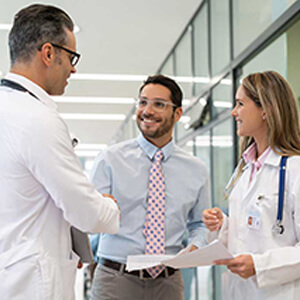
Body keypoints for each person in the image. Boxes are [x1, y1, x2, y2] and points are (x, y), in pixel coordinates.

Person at [0, 4, 120, 300]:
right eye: (71, 57)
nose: (74, 68)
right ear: (49, 53)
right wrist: (109, 206)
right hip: (32, 282)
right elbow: (87, 212)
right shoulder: (38, 119)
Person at [90, 74, 210, 300]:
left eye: (159, 104)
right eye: (143, 102)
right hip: (116, 279)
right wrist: (99, 209)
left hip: (168, 283)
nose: (147, 110)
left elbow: (199, 223)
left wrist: (196, 245)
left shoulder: (196, 169)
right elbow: (88, 219)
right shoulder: (110, 160)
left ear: (177, 114)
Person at [202, 71, 300, 300]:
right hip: (239, 292)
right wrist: (222, 225)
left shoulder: (295, 170)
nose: (233, 112)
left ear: (265, 109)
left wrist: (260, 265)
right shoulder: (244, 169)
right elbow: (247, 233)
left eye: (240, 104)